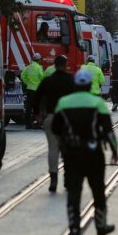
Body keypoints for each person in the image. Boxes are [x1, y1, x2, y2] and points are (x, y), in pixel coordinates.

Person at [52, 69, 118, 235]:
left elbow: (55, 129)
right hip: (93, 153)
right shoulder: (98, 103)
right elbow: (108, 130)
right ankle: (101, 226)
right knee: (98, 190)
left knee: (74, 191)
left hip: (72, 154)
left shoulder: (63, 103)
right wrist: (114, 150)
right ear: (90, 85)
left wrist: (63, 145)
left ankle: (74, 228)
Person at [33, 55, 75, 192]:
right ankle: (68, 179)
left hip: (51, 118)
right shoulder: (71, 80)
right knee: (68, 150)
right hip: (67, 119)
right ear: (65, 64)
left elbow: (36, 97)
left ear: (54, 65)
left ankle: (53, 180)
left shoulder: (47, 81)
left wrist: (37, 113)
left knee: (53, 149)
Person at [21, 53, 44, 129]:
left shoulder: (28, 67)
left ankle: (28, 124)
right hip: (37, 90)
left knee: (29, 107)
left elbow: (22, 75)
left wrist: (27, 82)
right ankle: (37, 124)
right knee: (37, 107)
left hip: (29, 89)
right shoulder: (39, 67)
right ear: (38, 60)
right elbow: (42, 77)